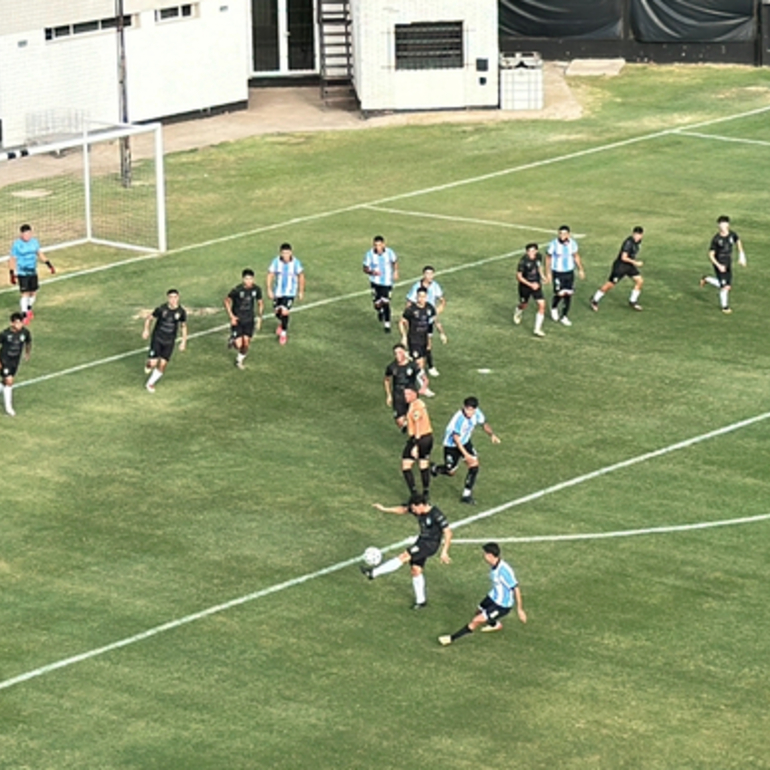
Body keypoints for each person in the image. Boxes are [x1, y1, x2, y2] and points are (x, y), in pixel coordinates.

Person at [362, 492, 452, 610]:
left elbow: (448, 532)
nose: (413, 511)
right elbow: (403, 510)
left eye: (414, 509)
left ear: (420, 505)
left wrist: (444, 551)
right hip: (422, 541)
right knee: (416, 570)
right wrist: (384, 509)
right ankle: (421, 601)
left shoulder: (436, 514)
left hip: (430, 544)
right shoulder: (417, 509)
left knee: (404, 556)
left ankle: (373, 573)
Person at [439, 542, 526, 646]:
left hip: (502, 605)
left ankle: (451, 638)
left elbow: (515, 588)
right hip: (493, 596)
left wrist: (520, 609)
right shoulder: (495, 565)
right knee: (479, 611)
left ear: (490, 555)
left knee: (476, 620)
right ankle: (495, 625)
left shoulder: (503, 571)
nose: (483, 556)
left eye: (485, 554)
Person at [432, 396, 500, 504]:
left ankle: (466, 495)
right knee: (451, 471)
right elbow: (456, 439)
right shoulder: (459, 419)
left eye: (472, 410)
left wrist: (492, 435)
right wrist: (466, 455)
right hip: (452, 446)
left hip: (465, 442)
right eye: (468, 409)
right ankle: (436, 469)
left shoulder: (477, 413)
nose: (470, 412)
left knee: (474, 466)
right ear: (464, 407)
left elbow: (483, 423)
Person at [399, 287, 443, 397]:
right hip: (414, 340)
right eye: (419, 296)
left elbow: (434, 321)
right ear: (416, 297)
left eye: (423, 296)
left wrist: (441, 333)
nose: (421, 299)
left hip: (424, 339)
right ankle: (424, 388)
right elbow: (401, 322)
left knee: (421, 364)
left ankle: (408, 381)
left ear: (427, 297)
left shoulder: (429, 308)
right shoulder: (411, 310)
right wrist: (404, 336)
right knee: (419, 365)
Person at [142, 289, 188, 392]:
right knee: (153, 363)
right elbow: (149, 318)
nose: (173, 300)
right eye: (171, 297)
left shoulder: (181, 312)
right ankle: (149, 364)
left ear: (178, 298)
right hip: (157, 339)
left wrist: (183, 341)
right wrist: (146, 330)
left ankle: (150, 383)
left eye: (175, 297)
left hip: (169, 342)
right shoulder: (162, 309)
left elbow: (183, 326)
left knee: (163, 364)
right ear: (168, 298)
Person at [8, 224, 55, 324]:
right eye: (25, 234)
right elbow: (12, 259)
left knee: (33, 293)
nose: (27, 236)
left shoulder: (34, 242)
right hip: (22, 272)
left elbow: (39, 254)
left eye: (29, 234)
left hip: (32, 271)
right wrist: (12, 273)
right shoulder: (17, 245)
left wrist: (49, 264)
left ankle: (28, 309)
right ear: (21, 234)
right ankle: (24, 314)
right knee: (25, 293)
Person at [591, 227, 645, 311]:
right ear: (633, 234)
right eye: (635, 235)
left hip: (629, 266)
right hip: (620, 267)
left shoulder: (638, 242)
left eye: (639, 235)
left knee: (639, 281)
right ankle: (595, 299)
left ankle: (632, 301)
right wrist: (635, 262)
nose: (637, 237)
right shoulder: (628, 243)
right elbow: (624, 257)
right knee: (610, 285)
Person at [700, 216, 746, 314]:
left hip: (728, 263)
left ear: (728, 225)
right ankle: (725, 307)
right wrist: (718, 265)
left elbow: (738, 241)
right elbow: (711, 254)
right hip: (719, 263)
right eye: (721, 224)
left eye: (724, 224)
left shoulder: (732, 235)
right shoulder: (716, 239)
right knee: (725, 287)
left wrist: (741, 256)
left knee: (727, 285)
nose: (723, 226)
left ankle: (706, 279)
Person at [406, 265, 446, 377]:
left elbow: (442, 301)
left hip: (428, 318)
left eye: (431, 274)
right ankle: (421, 366)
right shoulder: (416, 287)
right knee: (419, 344)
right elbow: (409, 304)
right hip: (417, 320)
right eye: (427, 274)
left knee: (428, 345)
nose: (430, 276)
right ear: (423, 274)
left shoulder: (435, 286)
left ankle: (429, 366)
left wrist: (436, 313)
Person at [266, 242, 305, 345]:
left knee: (284, 311)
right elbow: (270, 274)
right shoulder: (276, 262)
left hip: (290, 292)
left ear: (291, 253)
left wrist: (300, 291)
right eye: (284, 253)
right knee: (277, 312)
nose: (286, 255)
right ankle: (282, 323)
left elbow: (301, 276)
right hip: (278, 291)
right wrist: (269, 289)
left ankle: (283, 333)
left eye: (287, 253)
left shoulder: (296, 263)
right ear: (280, 253)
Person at [225, 268, 263, 369]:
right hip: (237, 320)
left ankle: (239, 360)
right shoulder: (237, 290)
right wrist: (231, 316)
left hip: (249, 320)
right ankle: (233, 340)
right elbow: (226, 301)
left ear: (253, 279)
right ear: (243, 279)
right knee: (238, 345)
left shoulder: (256, 290)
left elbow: (260, 302)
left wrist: (259, 317)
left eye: (250, 279)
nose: (248, 281)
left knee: (246, 344)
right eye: (246, 279)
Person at [547, 224, 584, 326]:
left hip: (569, 272)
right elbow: (548, 258)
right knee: (560, 293)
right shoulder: (553, 244)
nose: (562, 235)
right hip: (557, 272)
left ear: (568, 234)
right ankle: (554, 307)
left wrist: (580, 269)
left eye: (564, 233)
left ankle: (564, 316)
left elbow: (576, 256)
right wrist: (548, 273)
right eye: (560, 233)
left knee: (568, 294)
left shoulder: (572, 244)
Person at [363, 235, 399, 333]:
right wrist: (372, 272)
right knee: (377, 304)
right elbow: (365, 268)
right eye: (375, 245)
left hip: (387, 282)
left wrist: (396, 271)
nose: (378, 247)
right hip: (375, 282)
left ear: (383, 244)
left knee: (386, 302)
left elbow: (394, 261)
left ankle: (387, 324)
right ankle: (380, 311)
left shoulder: (389, 252)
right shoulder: (369, 254)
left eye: (379, 245)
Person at [402, 388, 434, 498]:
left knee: (406, 465)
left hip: (420, 438)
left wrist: (416, 444)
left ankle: (414, 493)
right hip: (427, 437)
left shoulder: (416, 406)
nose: (405, 396)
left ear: (415, 394)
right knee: (423, 463)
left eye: (408, 394)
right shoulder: (418, 404)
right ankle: (425, 492)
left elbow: (418, 424)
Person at [513, 242, 549, 337]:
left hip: (536, 285)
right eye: (529, 251)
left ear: (536, 251)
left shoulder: (539, 257)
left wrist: (542, 276)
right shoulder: (523, 262)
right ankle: (518, 310)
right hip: (525, 286)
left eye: (533, 251)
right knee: (524, 304)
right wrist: (530, 284)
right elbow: (519, 277)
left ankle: (537, 329)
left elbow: (539, 267)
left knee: (542, 305)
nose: (531, 253)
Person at [0, 312, 32, 416]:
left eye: (21, 323)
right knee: (9, 381)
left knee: (6, 382)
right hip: (5, 360)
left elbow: (28, 342)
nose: (20, 325)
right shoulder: (5, 334)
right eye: (17, 323)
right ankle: (9, 408)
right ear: (12, 323)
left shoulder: (24, 333)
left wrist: (27, 353)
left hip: (15, 362)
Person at [384, 343, 420, 431]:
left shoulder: (412, 365)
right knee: (399, 420)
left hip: (410, 393)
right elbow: (387, 379)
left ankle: (414, 432)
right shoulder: (392, 367)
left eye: (400, 352)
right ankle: (407, 426)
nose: (398, 355)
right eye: (396, 353)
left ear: (404, 352)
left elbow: (421, 376)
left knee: (414, 415)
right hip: (398, 394)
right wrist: (388, 395)